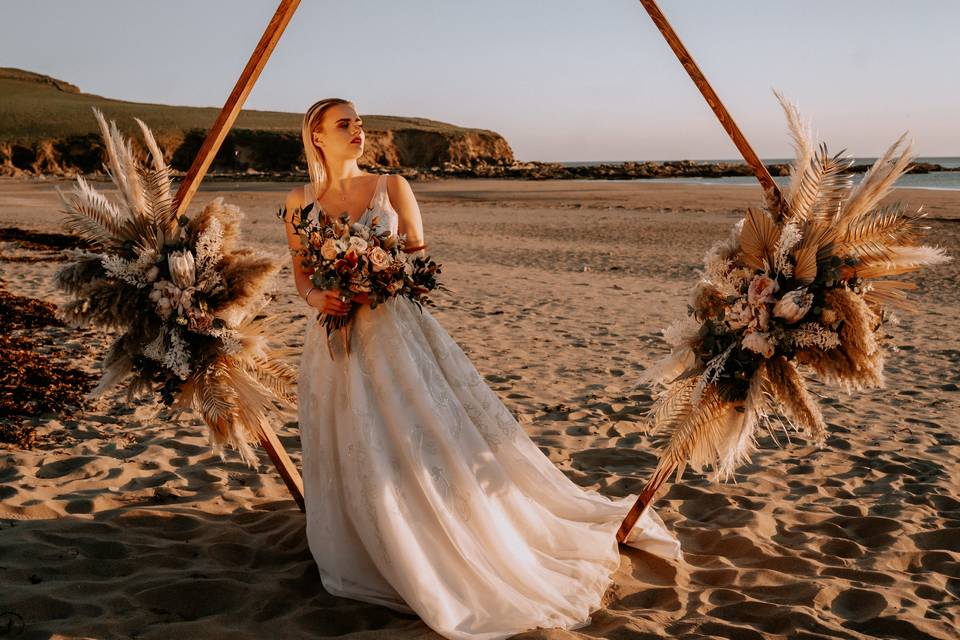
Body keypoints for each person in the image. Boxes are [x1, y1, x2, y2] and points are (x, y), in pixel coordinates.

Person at [280, 98, 681, 640]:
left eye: (360, 124)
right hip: (336, 337)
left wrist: (377, 273)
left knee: (418, 424)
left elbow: (417, 254)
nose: (359, 132)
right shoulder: (300, 201)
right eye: (345, 124)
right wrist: (318, 299)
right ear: (317, 135)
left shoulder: (391, 186)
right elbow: (302, 275)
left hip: (394, 328)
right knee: (353, 433)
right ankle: (370, 536)